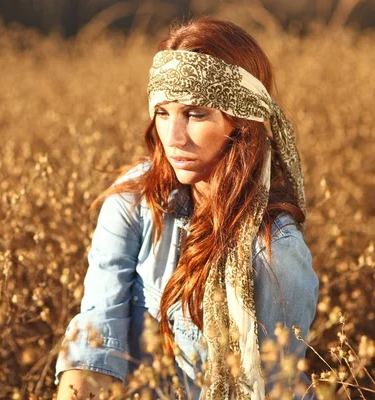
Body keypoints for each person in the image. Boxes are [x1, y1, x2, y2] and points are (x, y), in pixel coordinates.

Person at [55, 17, 319, 400]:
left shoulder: (275, 252)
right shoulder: (132, 200)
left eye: (195, 114)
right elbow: (96, 339)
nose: (173, 138)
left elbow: (272, 388)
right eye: (163, 113)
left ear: (241, 121)